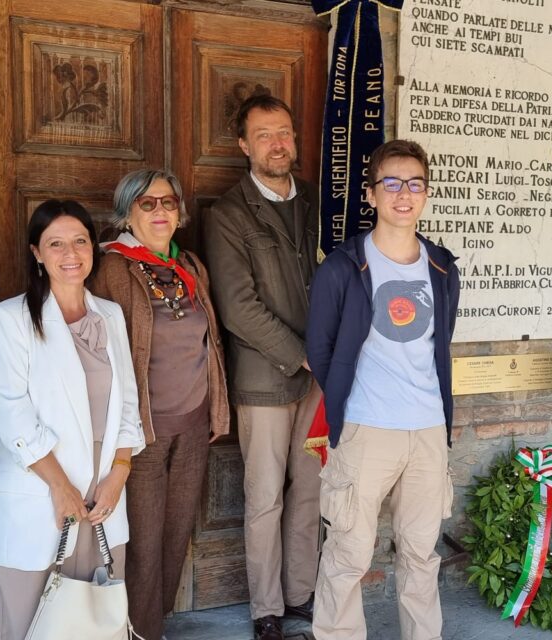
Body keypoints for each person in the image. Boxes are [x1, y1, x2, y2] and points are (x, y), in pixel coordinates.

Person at [306, 139, 460, 640]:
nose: (403, 194)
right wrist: (347, 410)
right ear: (370, 194)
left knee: (420, 553)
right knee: (348, 553)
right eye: (391, 183)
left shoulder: (441, 267)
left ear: (426, 193)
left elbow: (440, 343)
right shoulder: (342, 267)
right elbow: (321, 351)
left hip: (428, 430)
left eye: (414, 183)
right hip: (366, 429)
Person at [0, 199, 144, 639]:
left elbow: (128, 404)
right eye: (55, 243)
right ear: (36, 252)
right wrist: (61, 487)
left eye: (79, 241)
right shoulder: (8, 319)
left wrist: (118, 475)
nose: (70, 254)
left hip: (103, 496)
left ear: (93, 247)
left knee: (93, 618)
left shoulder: (110, 315)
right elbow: (11, 413)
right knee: (29, 617)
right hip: (43, 489)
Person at [90, 169, 230, 640]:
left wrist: (216, 408)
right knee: (143, 541)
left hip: (193, 426)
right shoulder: (111, 268)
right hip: (141, 433)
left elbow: (210, 342)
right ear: (127, 211)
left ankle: (153, 625)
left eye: (168, 203)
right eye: (147, 204)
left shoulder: (188, 265)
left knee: (175, 536)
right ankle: (135, 630)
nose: (160, 212)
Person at [203, 94, 322, 640]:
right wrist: (302, 351)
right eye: (265, 134)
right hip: (265, 380)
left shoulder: (319, 204)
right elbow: (237, 307)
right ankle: (266, 608)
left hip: (320, 381)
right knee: (266, 495)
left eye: (286, 132)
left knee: (311, 489)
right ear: (244, 145)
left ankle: (301, 595)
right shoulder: (226, 214)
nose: (279, 143)